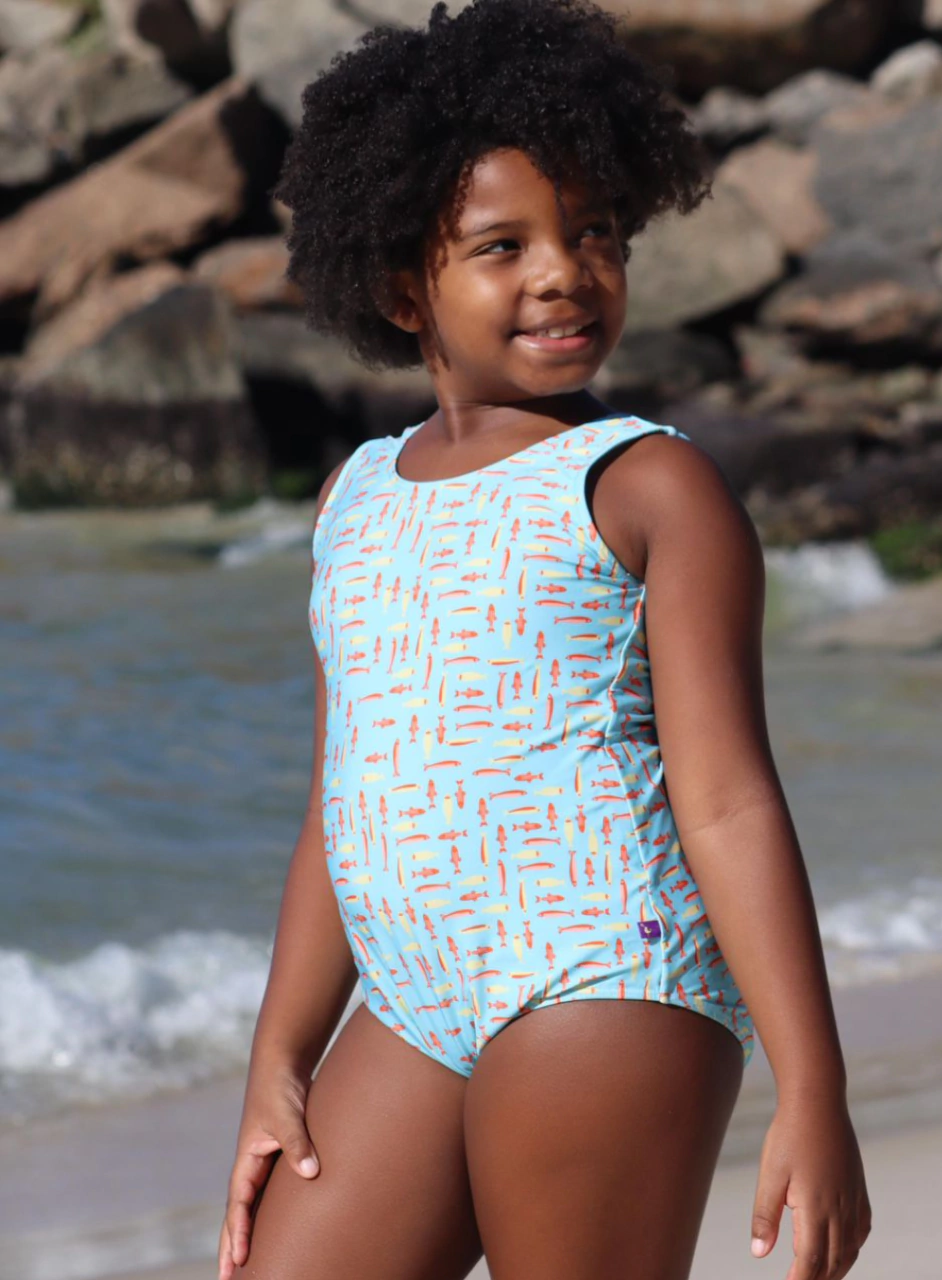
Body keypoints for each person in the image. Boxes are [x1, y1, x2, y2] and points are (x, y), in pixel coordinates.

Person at [218, 0, 871, 1276]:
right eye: (501, 245)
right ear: (401, 285)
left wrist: (814, 1084)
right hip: (410, 999)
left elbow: (727, 798)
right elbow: (338, 804)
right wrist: (278, 1053)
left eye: (593, 231)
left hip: (603, 967)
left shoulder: (644, 485)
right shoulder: (353, 497)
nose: (563, 270)